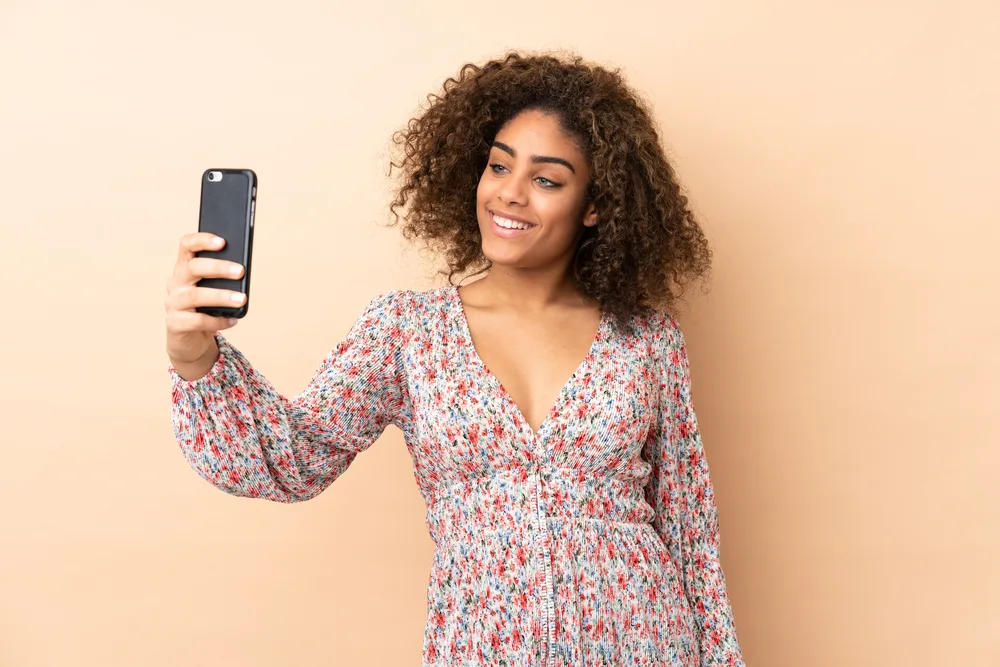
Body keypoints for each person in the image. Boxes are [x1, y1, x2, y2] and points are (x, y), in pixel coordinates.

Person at [165, 51, 744, 666]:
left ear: (595, 205)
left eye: (546, 179)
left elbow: (689, 531)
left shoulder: (647, 340)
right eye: (499, 166)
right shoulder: (408, 331)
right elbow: (292, 459)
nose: (510, 194)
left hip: (646, 644)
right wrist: (195, 355)